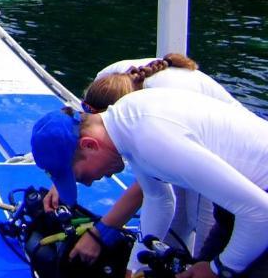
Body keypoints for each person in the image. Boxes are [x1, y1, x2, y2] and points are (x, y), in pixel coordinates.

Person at [31, 88, 268, 278]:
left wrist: (219, 269)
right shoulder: (127, 120)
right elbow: (158, 199)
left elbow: (261, 213)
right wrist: (134, 269)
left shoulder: (152, 139)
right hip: (239, 209)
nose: (90, 184)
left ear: (90, 145)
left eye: (80, 176)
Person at [50, 54, 245, 269]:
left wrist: (104, 236)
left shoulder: (151, 125)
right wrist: (65, 174)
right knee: (173, 236)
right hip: (184, 141)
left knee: (203, 241)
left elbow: (157, 195)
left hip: (228, 158)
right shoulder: (105, 85)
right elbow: (80, 134)